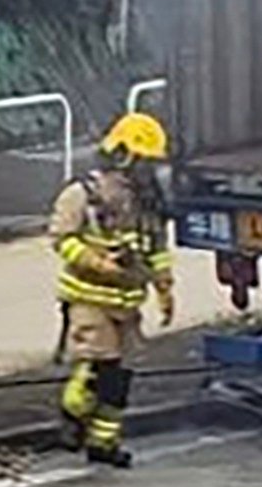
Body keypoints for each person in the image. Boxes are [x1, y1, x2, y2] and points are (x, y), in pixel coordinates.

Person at [50, 113, 177, 467]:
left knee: (117, 382)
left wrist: (165, 288)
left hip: (128, 304)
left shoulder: (146, 202)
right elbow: (62, 239)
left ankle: (103, 443)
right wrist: (98, 263)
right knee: (95, 372)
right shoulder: (82, 194)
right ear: (123, 155)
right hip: (89, 300)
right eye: (144, 161)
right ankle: (71, 417)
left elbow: (156, 248)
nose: (148, 170)